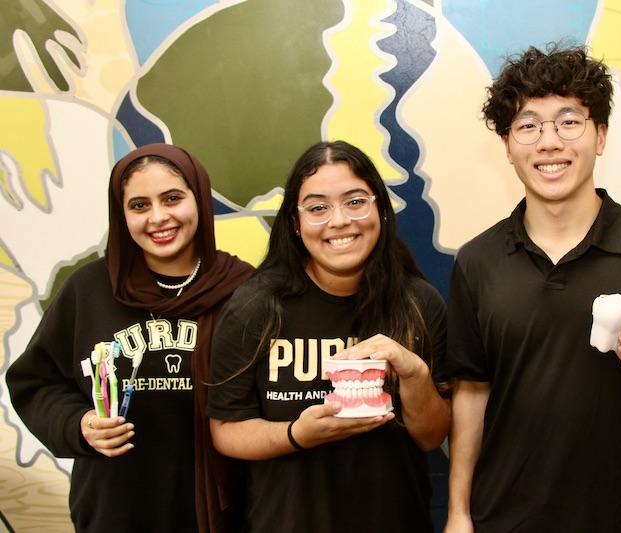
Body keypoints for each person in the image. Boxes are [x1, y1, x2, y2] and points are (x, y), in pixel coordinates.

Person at [444, 44, 621, 532]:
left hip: (609, 517)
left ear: (601, 136)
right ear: (507, 146)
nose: (549, 142)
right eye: (528, 126)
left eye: (569, 122)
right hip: (497, 519)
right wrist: (459, 514)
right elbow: (471, 391)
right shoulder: (477, 262)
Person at [6, 143, 254, 532]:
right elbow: (36, 381)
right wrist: (79, 424)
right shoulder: (89, 289)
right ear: (121, 214)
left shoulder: (244, 290)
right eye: (139, 205)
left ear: (200, 199)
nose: (158, 217)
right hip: (116, 510)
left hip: (225, 513)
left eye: (172, 198)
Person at [207, 140, 450, 532]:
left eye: (355, 202)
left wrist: (414, 373)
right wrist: (297, 435)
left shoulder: (419, 302)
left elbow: (431, 437)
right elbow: (226, 432)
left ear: (380, 210)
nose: (339, 221)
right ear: (295, 222)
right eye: (318, 208)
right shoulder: (255, 306)